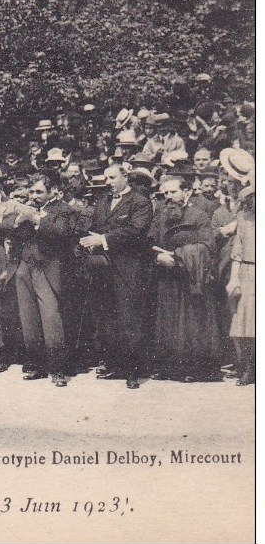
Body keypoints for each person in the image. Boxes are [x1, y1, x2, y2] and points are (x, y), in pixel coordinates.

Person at [79, 165, 153, 389]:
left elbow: (136, 230)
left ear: (125, 178)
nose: (108, 182)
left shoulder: (140, 202)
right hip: (103, 269)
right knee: (108, 319)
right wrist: (88, 241)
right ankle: (115, 365)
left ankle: (133, 371)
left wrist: (102, 240)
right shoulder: (102, 202)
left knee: (129, 320)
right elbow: (93, 228)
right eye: (106, 178)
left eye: (113, 177)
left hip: (128, 270)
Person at [147, 175, 220, 382]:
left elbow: (208, 246)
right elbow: (148, 242)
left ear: (186, 192)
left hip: (191, 278)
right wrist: (158, 256)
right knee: (167, 320)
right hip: (166, 275)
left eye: (173, 192)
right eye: (165, 193)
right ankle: (169, 367)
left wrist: (182, 255)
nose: (168, 197)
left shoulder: (199, 216)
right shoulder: (160, 216)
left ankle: (195, 368)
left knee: (192, 321)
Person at [12, 174, 74, 386]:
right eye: (32, 192)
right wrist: (17, 219)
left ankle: (58, 369)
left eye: (39, 192)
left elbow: (62, 233)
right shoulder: (25, 208)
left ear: (52, 191)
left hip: (47, 269)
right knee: (28, 318)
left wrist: (36, 220)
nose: (34, 196)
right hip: (24, 267)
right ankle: (36, 365)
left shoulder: (63, 209)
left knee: (50, 318)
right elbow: (2, 229)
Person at [226, 184, 254, 385]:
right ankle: (244, 366)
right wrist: (234, 278)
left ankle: (251, 369)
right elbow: (237, 250)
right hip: (246, 272)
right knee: (240, 326)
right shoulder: (243, 219)